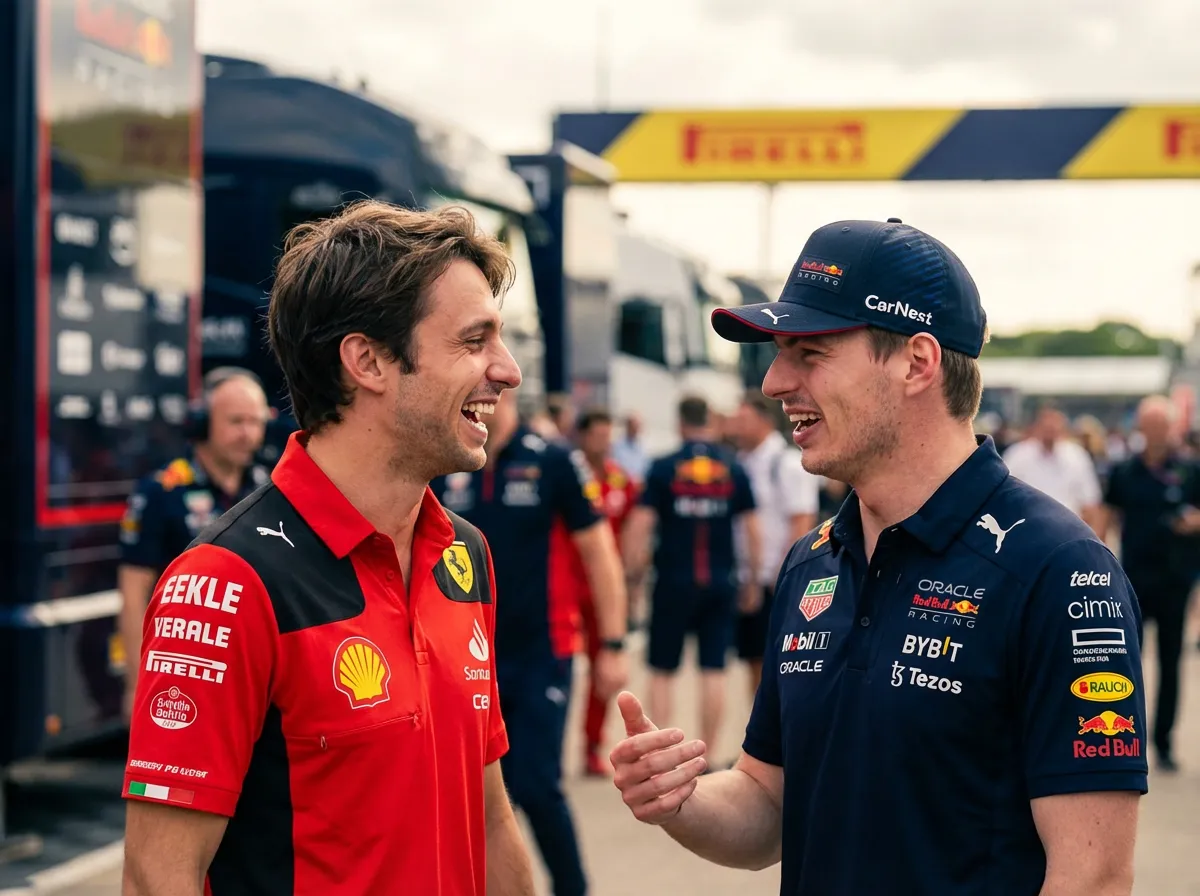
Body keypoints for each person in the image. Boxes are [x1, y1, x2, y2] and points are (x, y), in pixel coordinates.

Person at [610, 217, 1147, 895]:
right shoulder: (813, 562)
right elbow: (768, 804)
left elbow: (1092, 878)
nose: (775, 381)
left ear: (917, 364)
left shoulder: (1059, 570)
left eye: (811, 352)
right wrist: (680, 800)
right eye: (779, 352)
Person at [121, 200, 535, 895]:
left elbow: (488, 816)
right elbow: (157, 876)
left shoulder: (464, 554)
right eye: (474, 341)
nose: (509, 370)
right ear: (367, 361)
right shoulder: (228, 582)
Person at [432, 390, 628, 896]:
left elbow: (599, 551)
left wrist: (612, 642)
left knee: (537, 787)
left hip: (543, 653)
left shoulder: (554, 460)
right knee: (476, 797)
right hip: (464, 659)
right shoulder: (447, 461)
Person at [117, 366, 271, 719]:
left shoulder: (272, 489)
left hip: (255, 676)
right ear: (200, 423)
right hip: (182, 670)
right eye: (235, 421)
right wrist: (135, 684)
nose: (248, 434)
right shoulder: (161, 492)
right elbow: (133, 592)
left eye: (255, 422)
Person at [622, 396, 760, 757]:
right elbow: (752, 529)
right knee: (714, 669)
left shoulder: (663, 466)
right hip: (720, 581)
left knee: (662, 669)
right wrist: (751, 580)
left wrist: (631, 577)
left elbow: (640, 526)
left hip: (672, 581)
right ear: (709, 423)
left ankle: (660, 752)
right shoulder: (732, 466)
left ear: (681, 422)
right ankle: (709, 754)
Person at [1103, 394, 1200, 772]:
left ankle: (1163, 742)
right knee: (1126, 663)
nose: (1156, 431)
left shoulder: (1191, 470)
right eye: (1150, 424)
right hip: (1132, 580)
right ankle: (1124, 737)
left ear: (1172, 427)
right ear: (1140, 427)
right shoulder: (1125, 470)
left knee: (1172, 662)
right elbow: (1109, 515)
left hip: (1176, 578)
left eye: (1163, 424)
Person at [729, 390, 820, 695]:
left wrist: (786, 576)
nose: (736, 426)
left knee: (777, 661)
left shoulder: (786, 463)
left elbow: (802, 521)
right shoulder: (742, 462)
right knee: (753, 660)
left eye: (743, 419)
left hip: (774, 581)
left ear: (764, 420)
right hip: (748, 577)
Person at [571, 407, 641, 775]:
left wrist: (631, 581)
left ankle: (591, 746)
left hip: (604, 592)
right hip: (566, 587)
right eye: (595, 434)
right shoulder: (567, 476)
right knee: (559, 668)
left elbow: (631, 532)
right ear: (582, 436)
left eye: (606, 435)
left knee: (605, 671)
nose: (602, 441)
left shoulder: (622, 481)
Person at [1003, 404, 1105, 535]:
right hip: (1027, 533)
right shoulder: (1018, 455)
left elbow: (1091, 502)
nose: (1050, 427)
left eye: (1055, 423)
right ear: (1037, 425)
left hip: (1069, 533)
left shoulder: (1077, 456)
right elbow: (1004, 497)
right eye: (1046, 423)